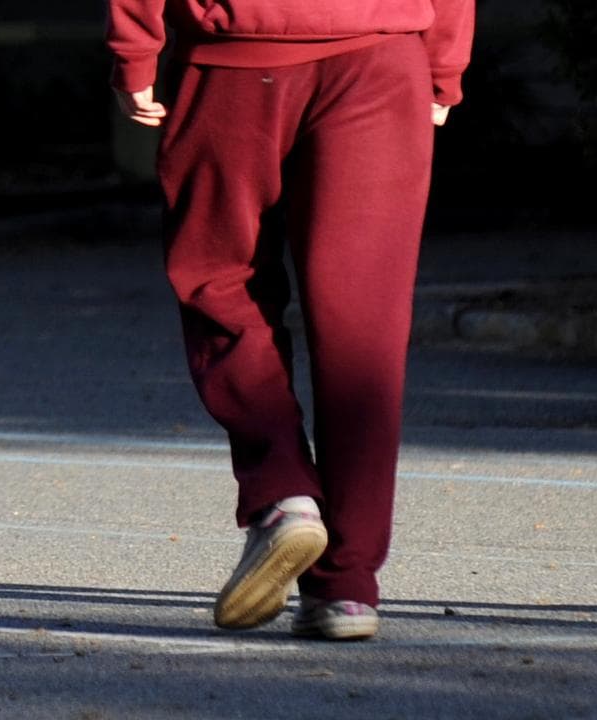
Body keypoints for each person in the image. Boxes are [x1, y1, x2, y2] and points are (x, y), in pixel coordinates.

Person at [105, 0, 475, 640]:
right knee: (365, 324)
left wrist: (136, 48)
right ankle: (346, 589)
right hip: (383, 54)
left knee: (221, 280)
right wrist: (443, 60)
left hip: (237, 59)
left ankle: (283, 495)